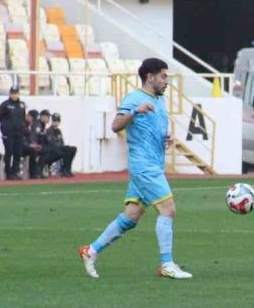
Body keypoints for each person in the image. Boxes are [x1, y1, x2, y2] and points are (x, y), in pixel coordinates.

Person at [78, 57, 192, 280]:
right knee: (168, 209)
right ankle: (166, 265)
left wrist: (166, 139)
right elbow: (116, 125)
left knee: (131, 217)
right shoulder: (134, 98)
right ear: (150, 77)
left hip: (153, 164)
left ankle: (90, 251)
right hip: (144, 167)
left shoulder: (159, 101)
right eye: (163, 76)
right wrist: (136, 111)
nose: (166, 81)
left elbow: (151, 132)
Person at [0, 84, 27, 178]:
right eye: (12, 93)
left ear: (18, 94)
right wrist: (6, 125)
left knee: (18, 153)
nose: (14, 95)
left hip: (19, 133)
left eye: (16, 93)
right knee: (9, 152)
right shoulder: (5, 105)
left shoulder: (22, 105)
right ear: (10, 94)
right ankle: (8, 172)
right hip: (8, 133)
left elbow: (23, 118)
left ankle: (15, 172)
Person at [38, 111, 77, 177]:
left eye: (57, 121)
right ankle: (64, 170)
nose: (56, 122)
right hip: (51, 152)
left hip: (58, 150)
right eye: (54, 120)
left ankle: (67, 169)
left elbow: (62, 143)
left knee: (73, 149)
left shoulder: (58, 131)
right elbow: (51, 143)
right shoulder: (49, 131)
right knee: (65, 151)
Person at [23, 109, 44, 178]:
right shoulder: (22, 125)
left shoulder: (34, 125)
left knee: (42, 150)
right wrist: (30, 145)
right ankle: (33, 173)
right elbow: (21, 139)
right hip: (21, 146)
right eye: (32, 118)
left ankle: (39, 171)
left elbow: (37, 137)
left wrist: (37, 144)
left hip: (30, 145)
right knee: (33, 151)